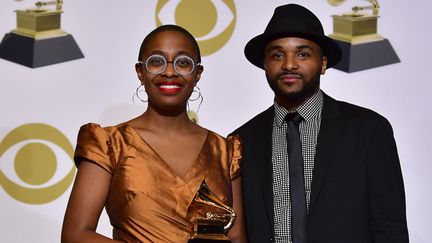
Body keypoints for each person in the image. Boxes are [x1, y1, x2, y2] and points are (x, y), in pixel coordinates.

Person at [229, 4, 408, 243]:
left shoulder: (369, 130)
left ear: (323, 64)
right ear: (264, 64)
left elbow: (390, 226)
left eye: (302, 54)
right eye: (277, 55)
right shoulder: (241, 141)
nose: (289, 65)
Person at [61, 25, 246, 242]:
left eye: (183, 62)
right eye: (156, 61)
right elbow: (75, 235)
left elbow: (236, 237)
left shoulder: (225, 151)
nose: (169, 72)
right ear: (140, 72)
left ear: (198, 74)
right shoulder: (110, 144)